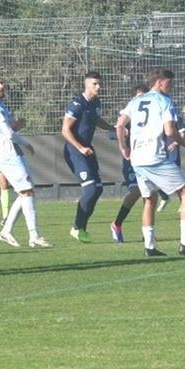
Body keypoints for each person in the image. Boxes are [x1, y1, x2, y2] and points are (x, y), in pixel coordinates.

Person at [116, 67, 185, 257]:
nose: (171, 87)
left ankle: (149, 247)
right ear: (159, 82)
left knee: (149, 199)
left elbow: (120, 124)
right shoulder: (164, 101)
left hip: (137, 159)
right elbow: (170, 131)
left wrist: (123, 147)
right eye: (169, 83)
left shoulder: (135, 100)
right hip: (154, 157)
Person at [0, 73, 50, 248]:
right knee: (27, 191)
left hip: (12, 152)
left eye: (2, 83)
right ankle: (34, 236)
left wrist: (15, 126)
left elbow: (8, 128)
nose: (2, 86)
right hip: (7, 153)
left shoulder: (1, 105)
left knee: (26, 192)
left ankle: (6, 231)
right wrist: (27, 143)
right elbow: (8, 134)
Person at [109, 84, 171, 243]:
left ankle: (147, 234)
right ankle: (117, 224)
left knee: (150, 194)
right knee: (137, 191)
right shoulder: (127, 115)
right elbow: (115, 130)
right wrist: (123, 142)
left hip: (149, 157)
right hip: (132, 159)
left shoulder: (153, 115)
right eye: (138, 97)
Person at [61, 71, 115, 243]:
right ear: (86, 85)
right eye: (95, 84)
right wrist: (80, 148)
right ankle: (77, 227)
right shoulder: (77, 104)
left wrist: (111, 128)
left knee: (98, 189)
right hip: (74, 150)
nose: (99, 87)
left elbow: (95, 120)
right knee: (90, 189)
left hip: (87, 149)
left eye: (99, 83)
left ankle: (80, 228)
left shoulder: (96, 103)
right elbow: (65, 130)